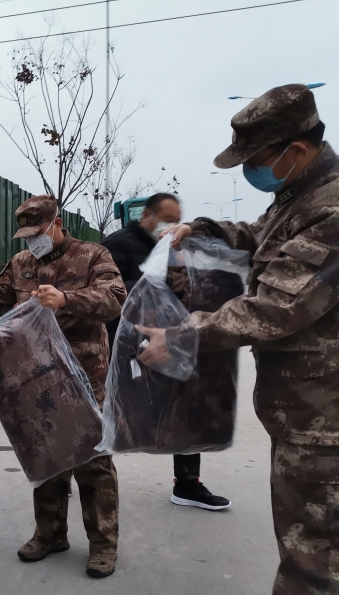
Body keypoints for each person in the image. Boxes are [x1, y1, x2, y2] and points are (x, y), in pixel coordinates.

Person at [138, 84, 339, 594]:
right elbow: (257, 235)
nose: (249, 171)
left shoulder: (331, 210)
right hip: (305, 414)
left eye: (254, 160)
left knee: (313, 563)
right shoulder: (298, 198)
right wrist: (199, 228)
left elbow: (275, 308)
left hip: (325, 423)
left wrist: (180, 337)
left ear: (297, 149)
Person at [0, 195, 126, 579]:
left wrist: (66, 299)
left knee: (92, 460)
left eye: (37, 232)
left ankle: (103, 544)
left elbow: (114, 298)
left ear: (56, 223)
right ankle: (50, 534)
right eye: (27, 235)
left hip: (84, 377)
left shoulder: (92, 255)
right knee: (44, 455)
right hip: (36, 374)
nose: (33, 241)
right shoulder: (22, 264)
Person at [102, 193, 231, 511]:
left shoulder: (175, 246)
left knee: (186, 408)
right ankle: (76, 471)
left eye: (176, 220)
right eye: (167, 219)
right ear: (147, 216)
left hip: (170, 341)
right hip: (127, 346)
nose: (171, 225)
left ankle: (187, 484)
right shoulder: (117, 245)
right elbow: (109, 296)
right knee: (104, 410)